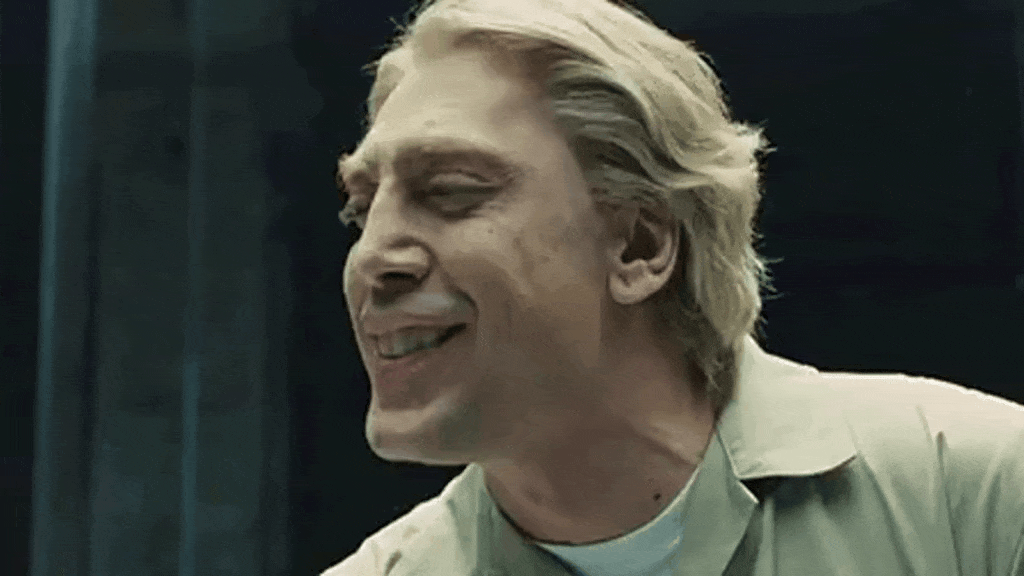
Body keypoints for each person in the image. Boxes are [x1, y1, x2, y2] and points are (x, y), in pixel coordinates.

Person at [325, 0, 1024, 574]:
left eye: (450, 190)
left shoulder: (976, 495)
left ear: (641, 246)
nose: (372, 258)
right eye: (360, 209)